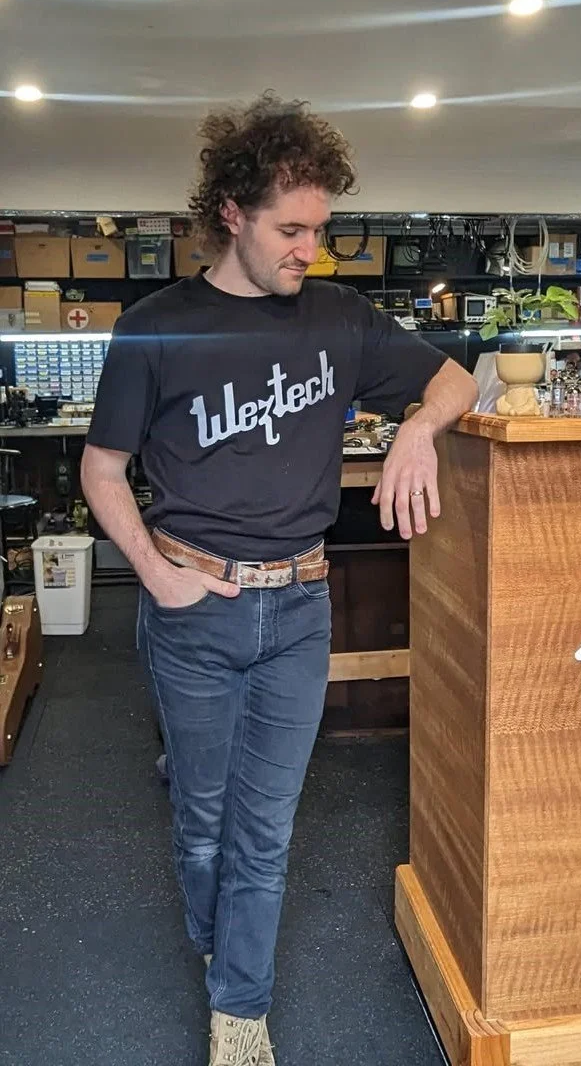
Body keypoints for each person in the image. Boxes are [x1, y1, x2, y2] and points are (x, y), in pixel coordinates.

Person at [80, 93, 478, 1066]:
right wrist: (155, 577)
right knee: (203, 824)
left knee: (264, 828)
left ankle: (239, 1008)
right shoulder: (155, 326)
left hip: (301, 609)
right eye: (291, 230)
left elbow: (458, 379)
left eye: (320, 230)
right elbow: (101, 470)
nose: (311, 250)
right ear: (232, 213)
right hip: (194, 608)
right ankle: (222, 947)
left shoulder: (340, 317)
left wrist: (419, 428)